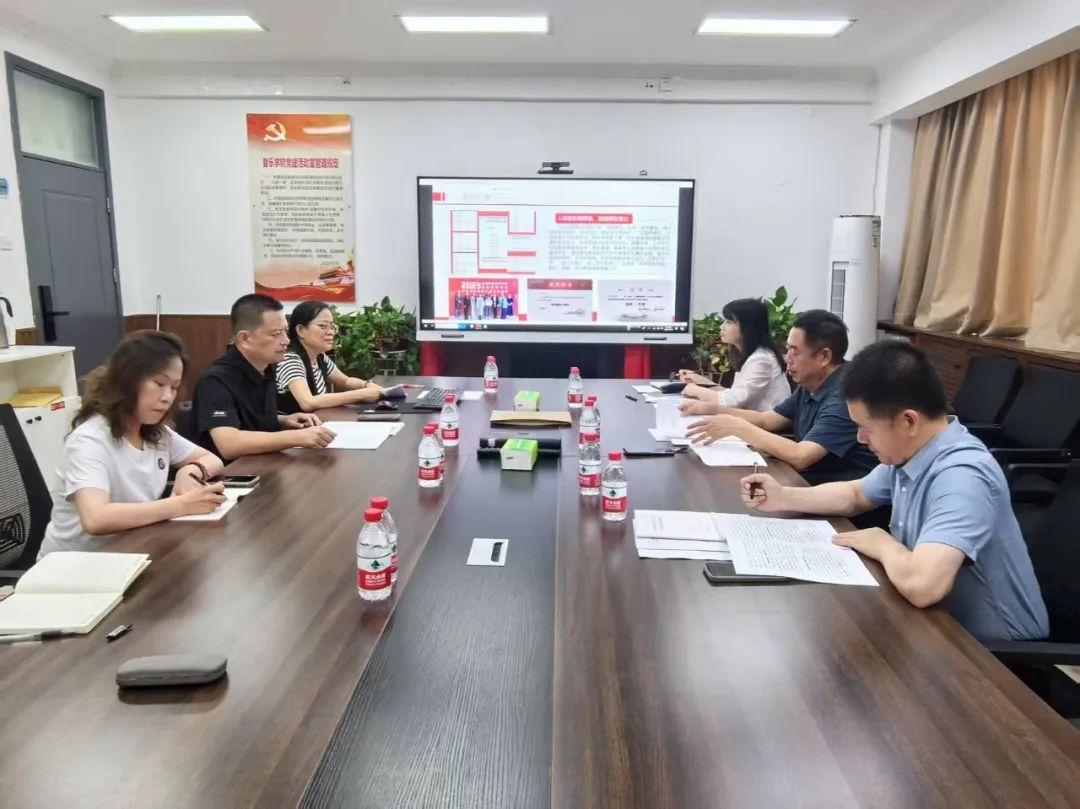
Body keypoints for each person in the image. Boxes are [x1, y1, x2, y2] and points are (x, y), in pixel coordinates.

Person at [739, 341, 1048, 642]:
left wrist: (882, 543)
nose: (860, 439)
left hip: (994, 651)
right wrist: (783, 496)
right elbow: (855, 495)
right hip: (935, 624)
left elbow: (924, 586)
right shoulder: (913, 451)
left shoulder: (963, 476)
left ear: (908, 421)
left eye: (867, 428)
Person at [38, 331, 227, 555]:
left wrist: (190, 471)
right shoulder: (90, 440)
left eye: (174, 387)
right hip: (75, 566)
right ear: (127, 382)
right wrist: (181, 505)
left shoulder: (156, 432)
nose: (167, 397)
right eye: (159, 383)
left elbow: (211, 459)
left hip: (131, 551)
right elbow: (95, 519)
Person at [685, 309, 877, 484]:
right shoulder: (811, 382)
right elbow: (767, 420)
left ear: (824, 357)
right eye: (788, 349)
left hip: (840, 500)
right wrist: (711, 409)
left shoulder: (847, 393)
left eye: (795, 351)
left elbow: (801, 456)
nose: (787, 358)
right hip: (807, 483)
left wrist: (738, 427)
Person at [192, 294, 336, 459]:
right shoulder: (215, 381)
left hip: (265, 462)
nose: (286, 341)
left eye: (285, 332)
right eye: (276, 334)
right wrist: (297, 437)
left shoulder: (267, 367)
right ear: (245, 338)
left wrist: (282, 420)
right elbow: (229, 444)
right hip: (232, 471)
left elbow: (246, 419)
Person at [675, 298, 791, 411]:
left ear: (748, 327)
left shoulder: (761, 359)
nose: (721, 327)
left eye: (729, 322)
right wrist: (703, 382)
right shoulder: (753, 355)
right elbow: (735, 395)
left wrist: (696, 390)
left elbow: (734, 402)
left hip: (766, 424)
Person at [277, 301, 384, 412]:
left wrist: (367, 385)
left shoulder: (320, 357)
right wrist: (361, 395)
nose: (330, 332)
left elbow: (345, 381)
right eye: (322, 326)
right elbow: (307, 402)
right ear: (301, 330)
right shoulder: (290, 359)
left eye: (332, 327)